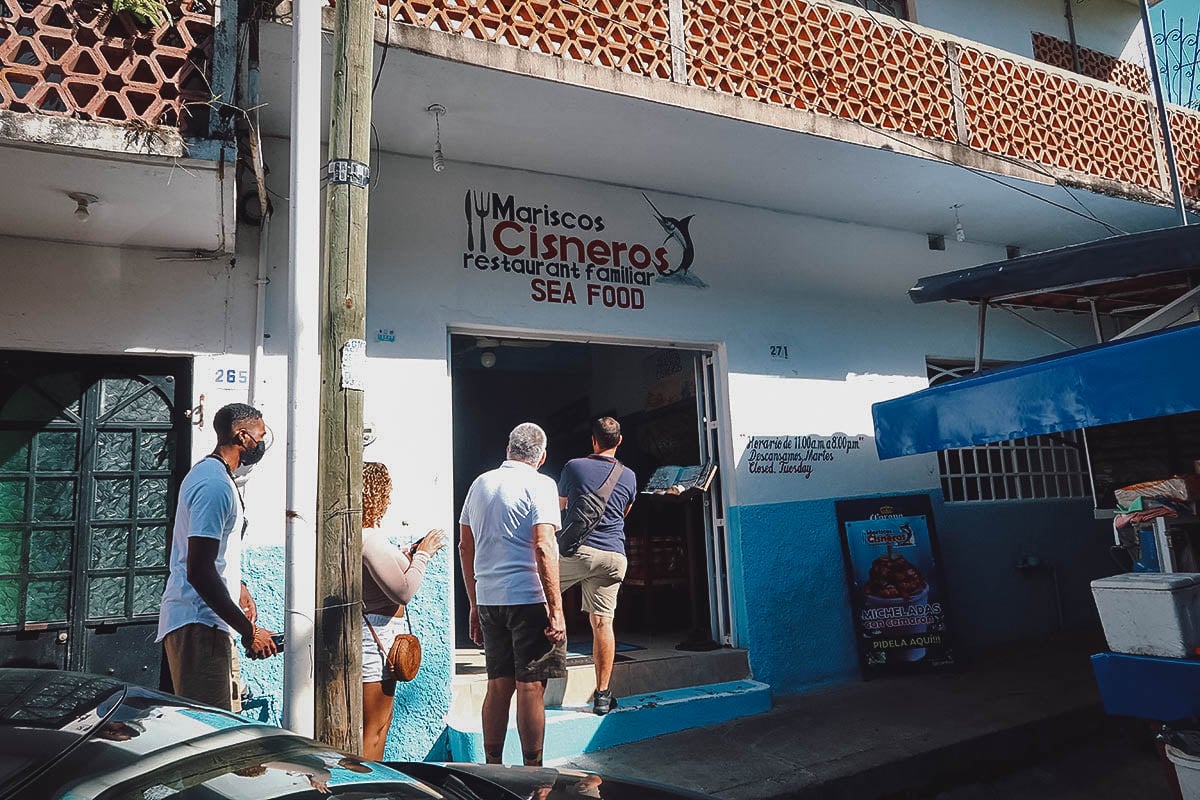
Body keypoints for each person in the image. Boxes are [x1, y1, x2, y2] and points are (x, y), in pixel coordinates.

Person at [156, 403, 279, 711]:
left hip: (211, 625)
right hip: (200, 624)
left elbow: (211, 553)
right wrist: (249, 632)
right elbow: (198, 569)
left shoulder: (217, 477)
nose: (262, 443)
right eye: (260, 435)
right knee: (208, 734)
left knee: (225, 726)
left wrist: (238, 586)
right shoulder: (214, 485)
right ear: (242, 436)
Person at [459, 423, 567, 767]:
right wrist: (557, 609)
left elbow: (466, 546)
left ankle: (492, 767)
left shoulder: (480, 484)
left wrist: (474, 604)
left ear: (508, 449)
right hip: (528, 599)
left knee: (498, 685)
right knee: (531, 686)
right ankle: (533, 772)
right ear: (542, 456)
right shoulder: (541, 484)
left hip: (490, 599)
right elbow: (544, 547)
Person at [360, 461, 446, 760]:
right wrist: (423, 554)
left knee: (380, 724)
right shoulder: (369, 540)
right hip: (375, 641)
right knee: (374, 728)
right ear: (377, 495)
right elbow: (403, 591)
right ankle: (363, 792)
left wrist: (407, 554)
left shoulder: (365, 537)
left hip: (377, 636)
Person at [557, 417, 637, 715]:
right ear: (619, 441)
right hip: (614, 556)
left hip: (579, 552)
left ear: (593, 440)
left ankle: (532, 675)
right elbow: (625, 512)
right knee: (603, 623)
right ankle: (602, 695)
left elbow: (561, 505)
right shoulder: (628, 475)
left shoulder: (574, 467)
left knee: (540, 595)